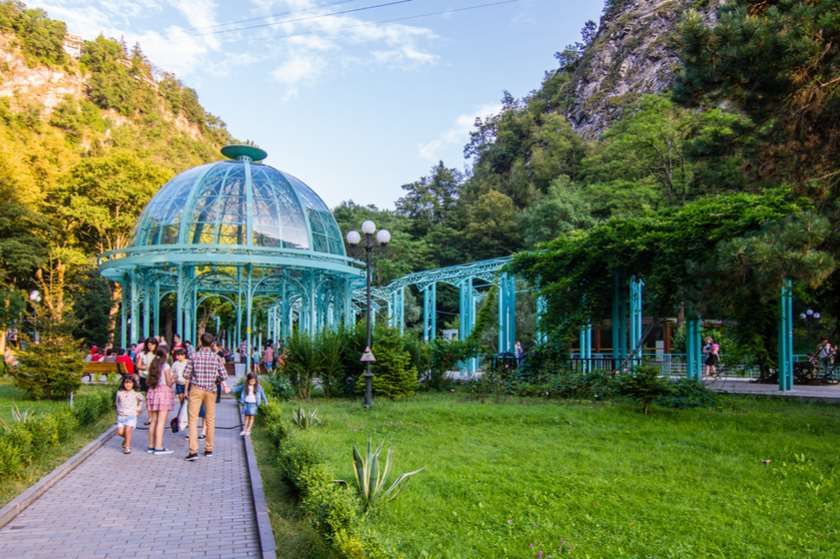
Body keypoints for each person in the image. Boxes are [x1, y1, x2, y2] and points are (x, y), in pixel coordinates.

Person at [184, 332, 228, 461]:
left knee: (192, 420)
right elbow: (224, 375)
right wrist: (216, 379)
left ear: (200, 342)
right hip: (211, 390)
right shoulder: (216, 357)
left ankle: (193, 451)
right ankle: (209, 449)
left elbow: (186, 374)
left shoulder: (193, 356)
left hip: (196, 389)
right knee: (210, 419)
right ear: (212, 343)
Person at [145, 349, 175, 455]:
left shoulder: (153, 364)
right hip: (163, 393)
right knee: (161, 422)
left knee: (153, 421)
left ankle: (151, 446)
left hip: (153, 391)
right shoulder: (166, 366)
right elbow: (169, 383)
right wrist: (174, 378)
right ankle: (158, 447)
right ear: (166, 355)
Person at [115, 376, 144, 455]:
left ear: (133, 384)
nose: (128, 385)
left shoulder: (136, 393)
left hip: (131, 415)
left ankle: (127, 447)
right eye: (126, 383)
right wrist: (117, 410)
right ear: (123, 383)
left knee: (128, 430)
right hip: (121, 416)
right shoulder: (119, 393)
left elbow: (142, 400)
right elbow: (117, 403)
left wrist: (138, 409)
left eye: (130, 383)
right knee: (120, 432)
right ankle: (126, 439)